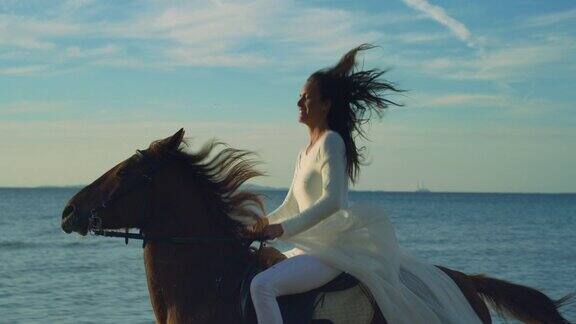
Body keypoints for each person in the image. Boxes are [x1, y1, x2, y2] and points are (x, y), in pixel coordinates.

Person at [248, 44, 483, 324]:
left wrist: (282, 229)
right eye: (299, 97)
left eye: (306, 98)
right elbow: (291, 205)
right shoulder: (304, 152)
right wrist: (259, 226)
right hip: (307, 248)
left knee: (261, 286)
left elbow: (333, 202)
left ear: (325, 104)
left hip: (331, 252)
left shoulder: (331, 142)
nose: (299, 103)